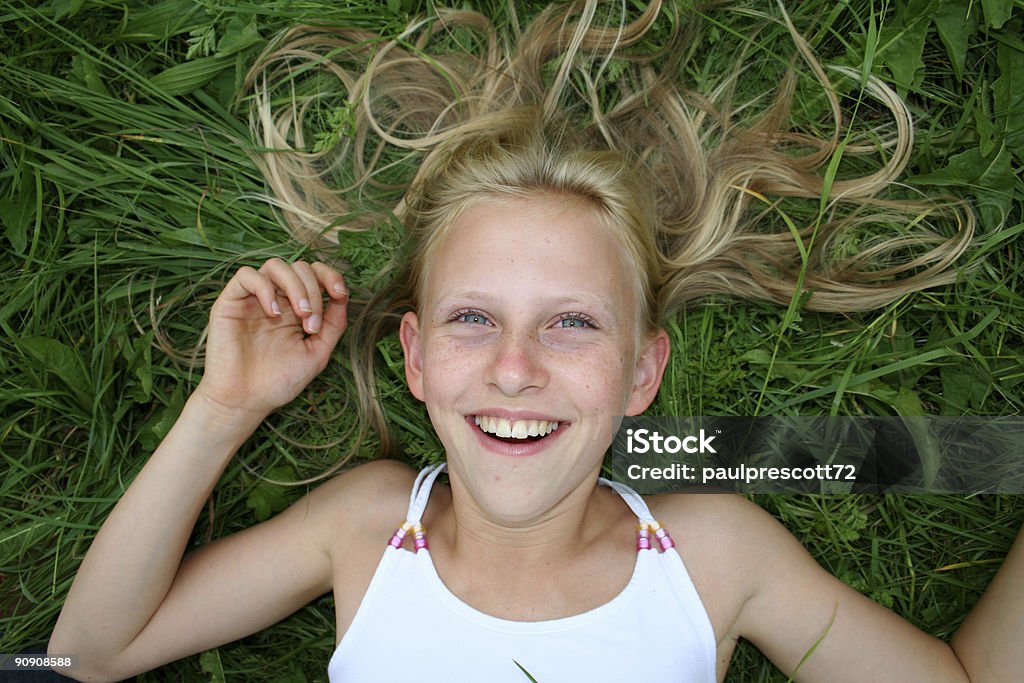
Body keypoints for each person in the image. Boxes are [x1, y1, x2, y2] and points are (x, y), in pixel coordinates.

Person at [48, 1, 1022, 681]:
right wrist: (225, 410)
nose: (515, 366)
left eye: (571, 321)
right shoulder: (365, 524)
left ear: (642, 371)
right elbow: (85, 655)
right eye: (474, 317)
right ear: (417, 358)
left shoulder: (713, 549)